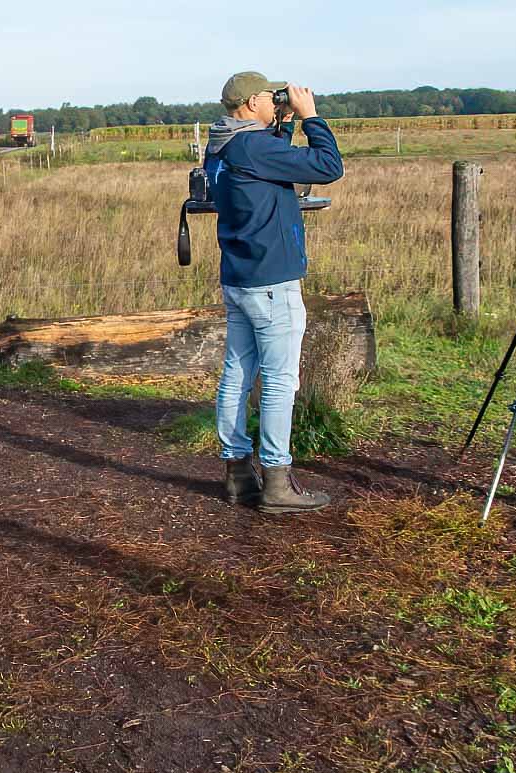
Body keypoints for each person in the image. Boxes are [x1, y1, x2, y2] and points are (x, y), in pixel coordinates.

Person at [204, 72, 344, 513]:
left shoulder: (223, 144)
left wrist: (281, 121)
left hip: (239, 277)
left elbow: (269, 162)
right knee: (280, 381)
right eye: (269, 96)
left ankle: (237, 473)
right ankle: (277, 482)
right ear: (249, 105)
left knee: (236, 375)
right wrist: (311, 118)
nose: (275, 100)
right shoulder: (254, 146)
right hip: (271, 282)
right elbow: (327, 168)